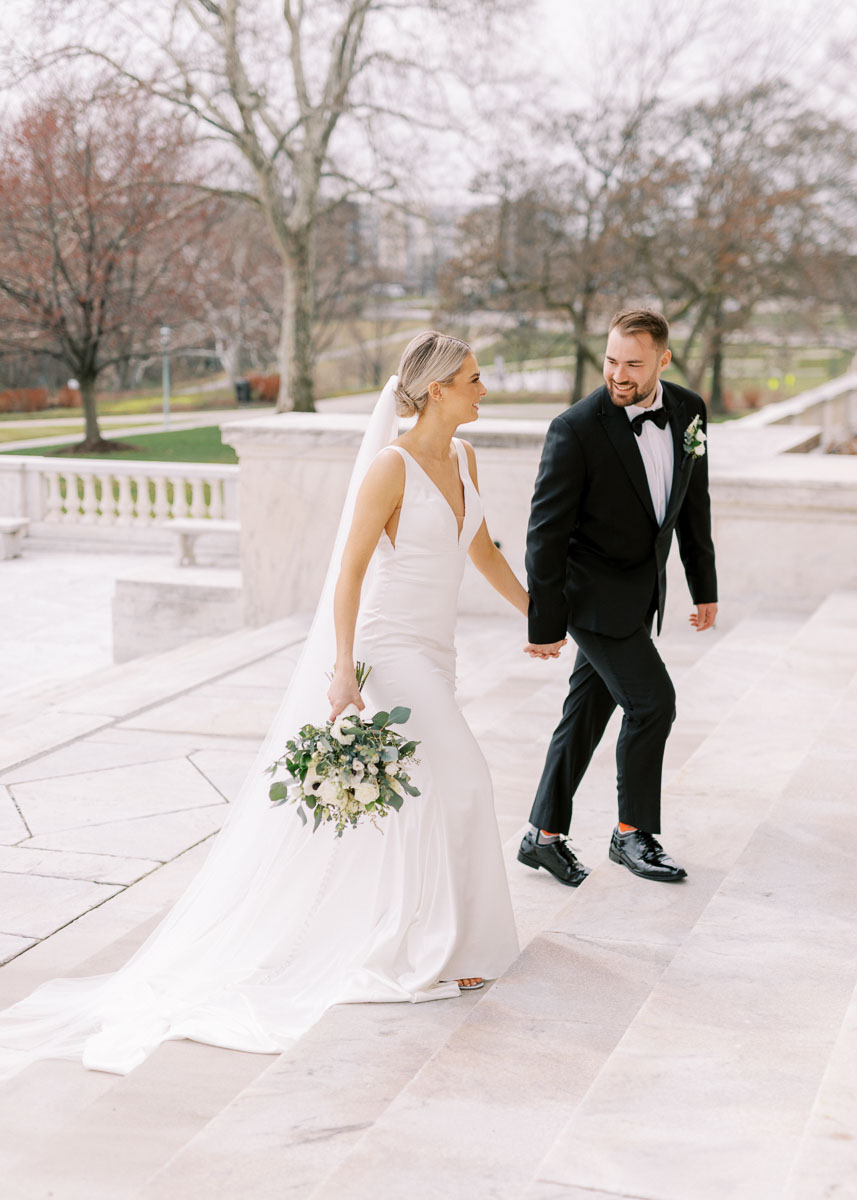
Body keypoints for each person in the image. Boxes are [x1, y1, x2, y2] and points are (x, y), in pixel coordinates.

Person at [0, 332, 525, 1079]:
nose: (484, 389)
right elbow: (345, 575)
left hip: (437, 653)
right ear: (437, 388)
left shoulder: (465, 460)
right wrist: (343, 673)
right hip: (391, 651)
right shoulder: (391, 467)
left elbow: (484, 552)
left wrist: (537, 614)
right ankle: (438, 948)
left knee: (435, 794)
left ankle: (433, 941)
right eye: (475, 379)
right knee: (465, 777)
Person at [519, 308, 717, 886]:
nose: (619, 374)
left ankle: (542, 835)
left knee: (587, 709)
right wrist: (545, 622)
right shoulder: (575, 428)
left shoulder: (688, 411)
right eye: (610, 360)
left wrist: (703, 585)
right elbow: (545, 533)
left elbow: (693, 503)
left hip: (640, 590)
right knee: (653, 702)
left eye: (633, 362)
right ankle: (632, 835)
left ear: (663, 359)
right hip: (593, 597)